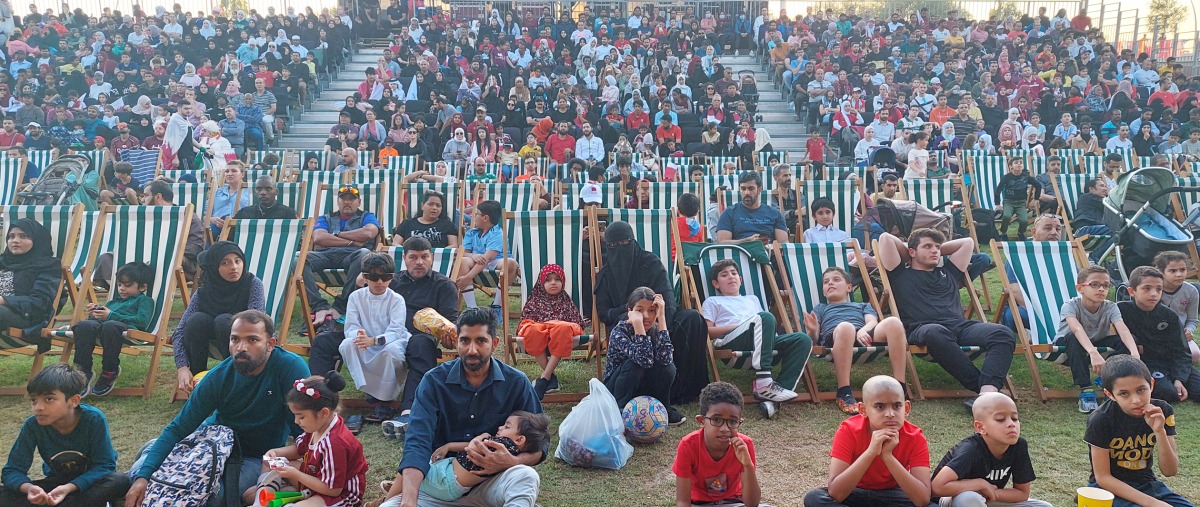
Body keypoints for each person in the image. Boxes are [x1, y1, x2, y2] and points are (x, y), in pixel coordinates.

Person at [125, 310, 311, 507]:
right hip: (211, 443)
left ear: (270, 344)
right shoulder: (219, 376)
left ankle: (154, 452)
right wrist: (143, 477)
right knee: (140, 475)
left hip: (254, 456)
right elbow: (179, 428)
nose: (241, 347)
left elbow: (305, 433)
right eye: (235, 339)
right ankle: (154, 453)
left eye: (252, 340)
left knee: (216, 497)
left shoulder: (290, 368)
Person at [372, 308, 546, 507]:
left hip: (491, 482)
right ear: (456, 342)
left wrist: (512, 462)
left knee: (526, 476)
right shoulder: (433, 382)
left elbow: (541, 444)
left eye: (480, 341)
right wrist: (409, 501)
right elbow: (417, 443)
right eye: (465, 341)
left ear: (494, 344)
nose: (472, 350)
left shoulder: (516, 382)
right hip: (439, 485)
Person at [318, 237, 460, 437]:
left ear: (431, 258)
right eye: (413, 257)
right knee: (324, 341)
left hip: (415, 335)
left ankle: (408, 409)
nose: (419, 262)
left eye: (424, 257)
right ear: (405, 259)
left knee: (422, 346)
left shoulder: (443, 285)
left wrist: (447, 336)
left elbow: (450, 321)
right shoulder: (390, 278)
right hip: (373, 331)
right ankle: (319, 399)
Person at [878, 229, 1016, 410]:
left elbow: (967, 242)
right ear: (911, 252)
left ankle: (986, 393)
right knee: (936, 332)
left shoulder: (949, 271)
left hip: (960, 327)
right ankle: (981, 386)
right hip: (923, 328)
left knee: (1002, 333)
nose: (935, 250)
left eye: (937, 247)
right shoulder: (899, 273)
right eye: (928, 246)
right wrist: (913, 250)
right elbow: (885, 238)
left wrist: (930, 250)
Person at [584, 221, 710, 405]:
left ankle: (684, 389)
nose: (619, 249)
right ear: (607, 247)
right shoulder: (606, 275)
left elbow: (667, 300)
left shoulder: (650, 263)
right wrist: (631, 312)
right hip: (628, 328)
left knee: (692, 319)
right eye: (612, 246)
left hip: (659, 319)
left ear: (633, 241)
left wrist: (655, 321)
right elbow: (604, 313)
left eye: (624, 243)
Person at [0, 364, 131, 507]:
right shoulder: (33, 425)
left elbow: (105, 465)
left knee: (120, 480)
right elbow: (12, 470)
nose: (38, 407)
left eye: (49, 399)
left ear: (73, 401)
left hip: (89, 485)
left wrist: (70, 487)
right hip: (56, 485)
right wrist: (29, 488)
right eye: (34, 400)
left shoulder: (93, 419)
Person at [802, 376, 933, 507]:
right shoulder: (849, 430)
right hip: (855, 492)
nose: (890, 414)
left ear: (906, 408)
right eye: (880, 407)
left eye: (897, 406)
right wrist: (871, 452)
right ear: (863, 410)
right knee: (815, 498)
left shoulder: (915, 437)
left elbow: (922, 499)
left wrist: (888, 456)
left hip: (892, 494)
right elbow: (836, 493)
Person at [703, 259, 813, 407]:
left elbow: (764, 325)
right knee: (764, 317)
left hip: (762, 345)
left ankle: (773, 401)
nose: (731, 276)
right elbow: (707, 332)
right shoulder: (713, 301)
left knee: (802, 339)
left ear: (740, 279)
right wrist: (740, 325)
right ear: (716, 284)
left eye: (734, 273)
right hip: (732, 341)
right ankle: (763, 381)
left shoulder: (752, 299)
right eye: (724, 275)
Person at [1085, 355, 1192, 507]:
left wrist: (1160, 431)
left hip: (1146, 484)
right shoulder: (1101, 419)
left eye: (1141, 390)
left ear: (1152, 385)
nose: (1135, 400)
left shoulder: (1163, 411)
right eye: (1124, 393)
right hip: (1107, 488)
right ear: (1110, 394)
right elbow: (1102, 477)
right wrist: (1153, 504)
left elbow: (1170, 471)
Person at [249, 371, 366, 507]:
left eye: (301, 417)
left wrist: (295, 475)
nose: (296, 421)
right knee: (270, 463)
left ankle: (287, 496)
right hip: (315, 477)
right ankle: (261, 501)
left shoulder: (335, 443)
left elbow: (333, 490)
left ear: (323, 413)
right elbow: (299, 449)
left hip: (340, 494)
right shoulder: (318, 425)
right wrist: (275, 452)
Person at [804, 267, 909, 415]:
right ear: (823, 291)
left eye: (836, 279)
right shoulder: (820, 308)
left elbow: (872, 322)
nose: (830, 283)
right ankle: (844, 392)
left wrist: (862, 331)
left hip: (864, 337)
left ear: (849, 287)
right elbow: (813, 340)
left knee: (894, 322)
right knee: (846, 327)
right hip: (837, 338)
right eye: (826, 282)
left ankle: (900, 388)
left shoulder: (862, 305)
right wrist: (812, 330)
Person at [384, 411, 550, 503]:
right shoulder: (509, 448)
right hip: (450, 481)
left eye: (506, 426)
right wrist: (448, 446)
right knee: (417, 468)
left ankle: (388, 497)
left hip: (446, 481)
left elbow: (471, 447)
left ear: (520, 439)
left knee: (412, 465)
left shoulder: (501, 445)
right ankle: (402, 489)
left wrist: (483, 435)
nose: (500, 427)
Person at [172, 241, 266, 395]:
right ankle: (198, 386)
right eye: (225, 263)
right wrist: (182, 367)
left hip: (246, 344)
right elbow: (180, 331)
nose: (234, 267)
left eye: (237, 261)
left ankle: (239, 381)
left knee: (224, 321)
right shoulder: (203, 293)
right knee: (196, 320)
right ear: (214, 267)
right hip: (210, 341)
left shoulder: (252, 284)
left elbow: (256, 323)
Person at [930, 392, 1052, 507]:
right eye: (1000, 419)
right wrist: (980, 484)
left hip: (989, 499)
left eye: (1014, 418)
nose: (1011, 424)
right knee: (969, 499)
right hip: (950, 499)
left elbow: (1022, 493)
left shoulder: (1019, 445)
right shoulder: (971, 449)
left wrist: (992, 493)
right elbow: (937, 487)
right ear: (980, 427)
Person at [338, 252, 410, 424]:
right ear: (364, 277)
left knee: (391, 351)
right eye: (374, 277)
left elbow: (396, 330)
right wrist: (360, 336)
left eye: (385, 277)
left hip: (391, 341)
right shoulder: (356, 297)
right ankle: (369, 389)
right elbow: (351, 326)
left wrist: (375, 340)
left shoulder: (396, 299)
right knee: (347, 344)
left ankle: (385, 399)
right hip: (365, 342)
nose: (379, 282)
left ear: (391, 278)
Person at [1056, 265, 1139, 413]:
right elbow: (1077, 329)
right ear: (1080, 288)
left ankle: (1109, 377)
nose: (1101, 289)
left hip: (1097, 342)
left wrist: (1135, 354)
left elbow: (1123, 329)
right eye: (1094, 284)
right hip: (1068, 346)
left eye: (1106, 285)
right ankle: (1086, 389)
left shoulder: (1111, 307)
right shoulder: (1070, 305)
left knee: (1127, 339)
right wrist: (1093, 353)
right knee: (1073, 337)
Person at [673, 382, 767, 507]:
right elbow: (683, 501)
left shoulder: (745, 445)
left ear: (740, 423)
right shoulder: (688, 445)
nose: (724, 428)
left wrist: (747, 465)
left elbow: (752, 503)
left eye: (732, 422)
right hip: (699, 504)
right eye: (716, 420)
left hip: (733, 503)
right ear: (701, 421)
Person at [70, 262, 154, 397]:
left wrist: (110, 315)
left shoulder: (145, 301)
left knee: (110, 325)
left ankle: (110, 370)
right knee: (83, 325)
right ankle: (83, 370)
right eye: (120, 284)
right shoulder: (113, 302)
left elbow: (142, 322)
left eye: (128, 285)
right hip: (105, 329)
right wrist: (96, 313)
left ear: (143, 287)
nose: (121, 289)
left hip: (126, 331)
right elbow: (98, 322)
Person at [1119, 266, 1200, 403]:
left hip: (1171, 361)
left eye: (1158, 289)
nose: (1154, 294)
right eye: (1147, 288)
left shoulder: (1169, 315)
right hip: (1145, 363)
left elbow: (1181, 350)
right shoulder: (1120, 311)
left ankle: (1175, 380)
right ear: (1132, 291)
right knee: (1167, 393)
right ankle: (1167, 381)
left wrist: (1179, 379)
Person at [604, 286, 684, 423]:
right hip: (617, 387)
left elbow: (666, 360)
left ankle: (663, 408)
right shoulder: (619, 331)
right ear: (630, 311)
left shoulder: (656, 329)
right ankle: (620, 410)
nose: (646, 316)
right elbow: (643, 360)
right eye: (639, 310)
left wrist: (662, 318)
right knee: (635, 363)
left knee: (668, 367)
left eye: (652, 311)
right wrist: (638, 325)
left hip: (643, 384)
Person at [305, 185, 379, 324]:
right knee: (298, 259)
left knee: (364, 254)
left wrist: (336, 234)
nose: (347, 202)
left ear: (359, 202)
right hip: (325, 256)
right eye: (343, 199)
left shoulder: (367, 216)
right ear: (338, 201)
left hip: (352, 257)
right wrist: (352, 242)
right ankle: (319, 305)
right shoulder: (325, 218)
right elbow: (319, 238)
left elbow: (368, 233)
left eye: (352, 199)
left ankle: (342, 305)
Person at [518, 264, 585, 400]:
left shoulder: (566, 302)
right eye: (548, 280)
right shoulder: (534, 302)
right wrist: (547, 327)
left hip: (561, 336)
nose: (553, 282)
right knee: (532, 330)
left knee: (563, 329)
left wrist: (553, 326)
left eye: (557, 279)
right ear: (541, 283)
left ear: (563, 282)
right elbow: (525, 324)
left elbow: (576, 324)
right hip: (539, 335)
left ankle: (544, 379)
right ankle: (550, 377)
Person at [455, 200, 518, 323]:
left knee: (510, 263)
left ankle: (497, 306)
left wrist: (468, 277)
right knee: (462, 260)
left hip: (497, 263)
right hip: (477, 264)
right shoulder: (471, 233)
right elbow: (463, 252)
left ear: (485, 218)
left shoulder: (497, 233)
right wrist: (473, 255)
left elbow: (487, 258)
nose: (474, 216)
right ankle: (472, 310)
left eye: (476, 214)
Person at [0, 219, 62, 335]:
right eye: (11, 236)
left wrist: (4, 300)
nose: (15, 241)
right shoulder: (3, 261)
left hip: (25, 316)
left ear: (37, 240)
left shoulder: (48, 266)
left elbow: (41, 302)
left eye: (23, 236)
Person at [716, 171, 789, 244]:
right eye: (743, 189)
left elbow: (783, 243)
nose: (747, 193)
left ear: (759, 190)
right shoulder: (729, 213)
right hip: (740, 253)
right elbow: (722, 243)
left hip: (767, 253)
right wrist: (747, 241)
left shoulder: (774, 213)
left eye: (751, 188)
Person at [1153, 251, 1200, 363]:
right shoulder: (1153, 290)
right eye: (1173, 271)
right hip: (1154, 334)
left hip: (1180, 335)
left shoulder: (1191, 291)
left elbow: (1192, 320)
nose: (1179, 274)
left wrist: (1188, 331)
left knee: (1195, 355)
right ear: (1161, 272)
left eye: (1182, 270)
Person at [391, 190, 459, 248]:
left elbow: (454, 245)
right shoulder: (407, 223)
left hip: (438, 260)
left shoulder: (448, 225)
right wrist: (407, 252)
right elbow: (395, 243)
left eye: (438, 205)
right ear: (422, 206)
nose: (434, 208)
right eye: (430, 204)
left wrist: (437, 253)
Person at [993, 158, 1041, 241]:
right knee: (1007, 216)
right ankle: (1003, 232)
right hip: (1008, 201)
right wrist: (997, 204)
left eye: (1021, 163)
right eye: (1016, 163)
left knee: (1024, 220)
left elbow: (1038, 185)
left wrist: (1036, 199)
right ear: (1011, 167)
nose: (1019, 164)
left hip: (1021, 203)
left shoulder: (1026, 177)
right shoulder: (1006, 177)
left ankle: (1020, 233)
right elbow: (998, 190)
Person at [232, 175, 298, 220]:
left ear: (276, 192)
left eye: (268, 189)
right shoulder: (244, 213)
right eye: (259, 189)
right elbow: (230, 236)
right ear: (255, 192)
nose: (263, 192)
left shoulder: (288, 214)